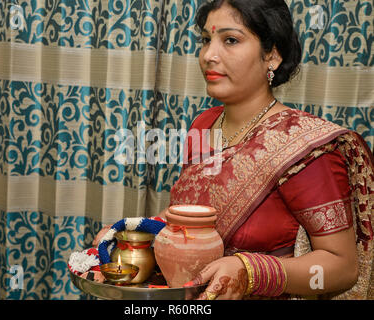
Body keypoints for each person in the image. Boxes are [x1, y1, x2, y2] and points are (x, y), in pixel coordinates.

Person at [94, 0, 374, 300]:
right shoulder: (203, 124)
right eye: (205, 40)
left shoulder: (303, 147)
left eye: (230, 40)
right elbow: (190, 218)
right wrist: (135, 233)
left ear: (272, 55)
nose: (208, 55)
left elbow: (342, 268)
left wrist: (251, 272)